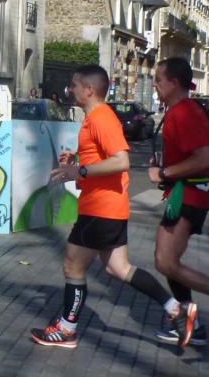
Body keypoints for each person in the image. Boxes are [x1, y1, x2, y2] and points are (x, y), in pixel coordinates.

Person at [30, 65, 197, 349]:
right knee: (119, 268)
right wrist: (78, 159)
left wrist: (80, 171)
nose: (69, 89)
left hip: (100, 209)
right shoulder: (94, 118)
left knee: (72, 264)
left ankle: (67, 329)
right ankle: (176, 309)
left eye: (74, 85)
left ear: (89, 90)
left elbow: (121, 161)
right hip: (108, 208)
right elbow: (101, 157)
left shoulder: (101, 118)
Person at [149, 57, 209, 346]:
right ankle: (190, 324)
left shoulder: (183, 112)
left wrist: (164, 173)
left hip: (188, 196)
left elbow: (204, 157)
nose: (155, 84)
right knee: (169, 260)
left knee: (165, 261)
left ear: (174, 83)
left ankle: (189, 319)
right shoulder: (183, 110)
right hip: (185, 194)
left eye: (159, 79)